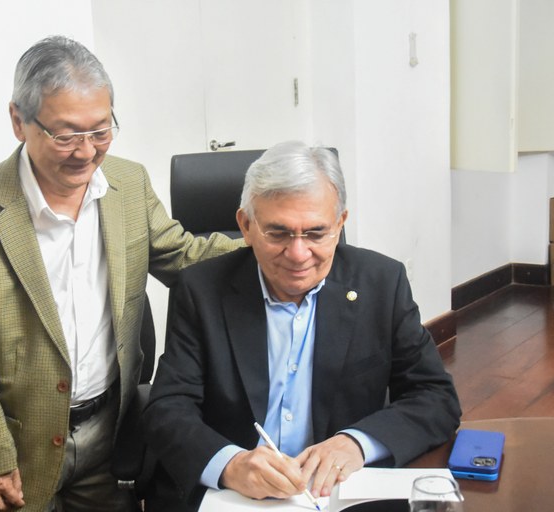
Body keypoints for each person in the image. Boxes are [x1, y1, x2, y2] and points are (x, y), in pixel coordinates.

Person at [0, 35, 241, 512]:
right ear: (18, 121)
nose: (86, 152)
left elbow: (182, 256)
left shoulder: (128, 184)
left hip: (110, 435)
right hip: (16, 448)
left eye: (101, 131)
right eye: (66, 135)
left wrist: (273, 243)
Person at [143, 140, 461, 512]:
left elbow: (435, 397)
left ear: (340, 224)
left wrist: (357, 443)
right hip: (235, 499)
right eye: (278, 233)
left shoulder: (381, 284)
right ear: (246, 226)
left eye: (315, 233)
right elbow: (168, 408)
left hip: (337, 495)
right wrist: (230, 464)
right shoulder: (201, 290)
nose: (298, 254)